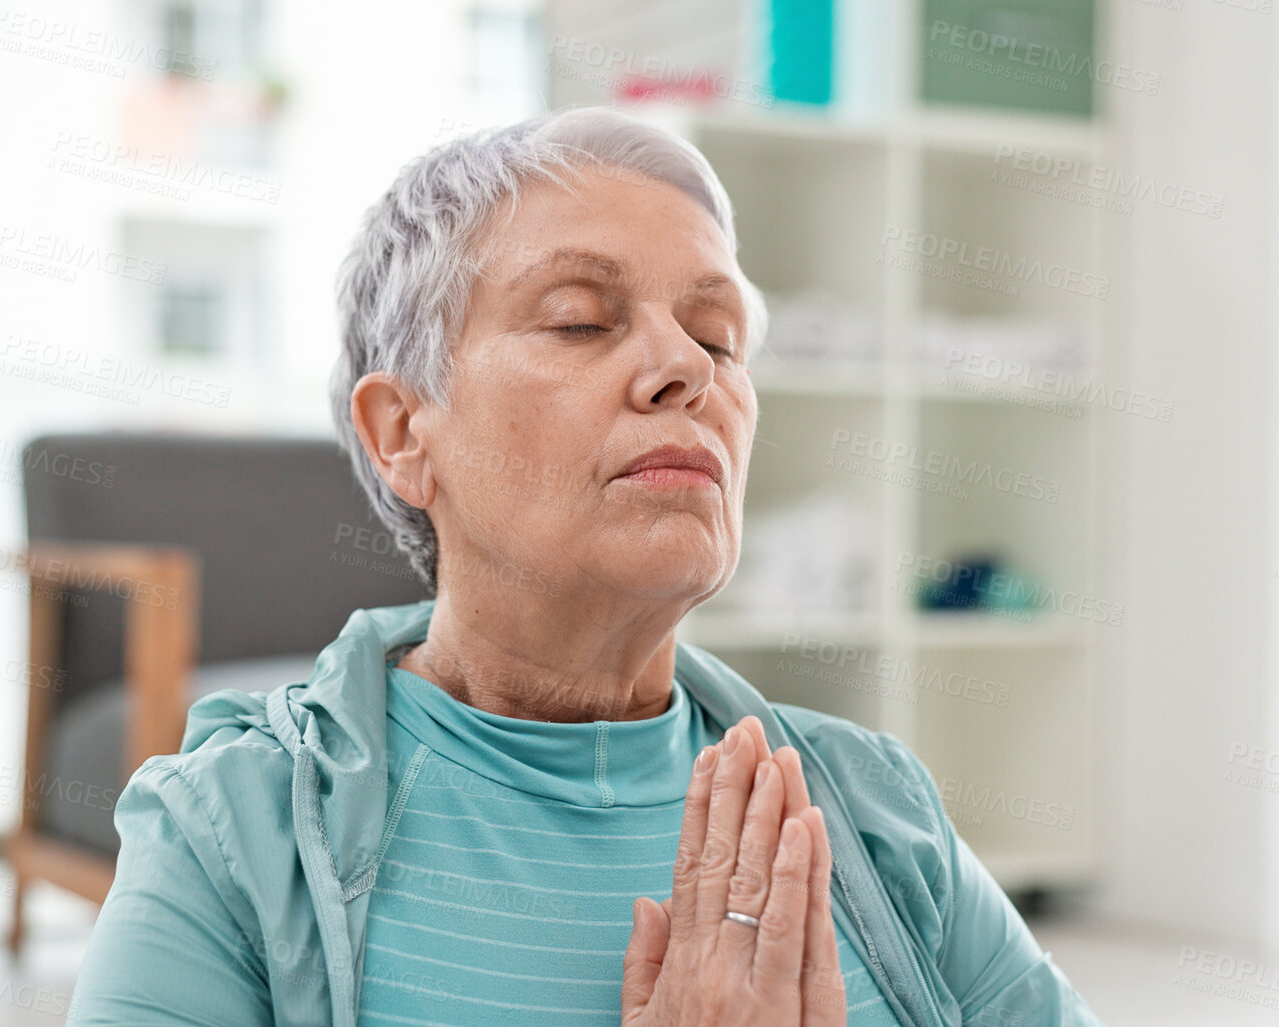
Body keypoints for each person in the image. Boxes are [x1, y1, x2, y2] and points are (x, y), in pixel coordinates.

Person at [66, 105, 1104, 1026]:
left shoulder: (874, 812)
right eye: (579, 320)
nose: (686, 370)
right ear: (401, 433)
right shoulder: (232, 839)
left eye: (719, 337)